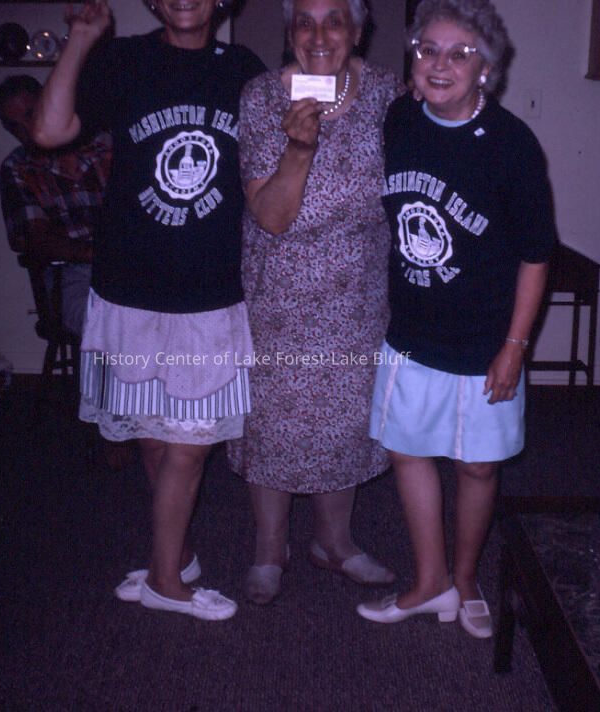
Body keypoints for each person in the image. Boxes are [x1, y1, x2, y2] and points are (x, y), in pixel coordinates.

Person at [31, 0, 265, 621]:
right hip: (128, 288)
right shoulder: (122, 59)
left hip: (209, 294)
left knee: (189, 444)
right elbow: (49, 131)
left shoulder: (243, 68)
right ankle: (172, 568)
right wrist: (82, 37)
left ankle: (165, 575)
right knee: (153, 440)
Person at [356, 0, 555, 638]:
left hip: (485, 341)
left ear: (486, 68)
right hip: (412, 334)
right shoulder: (399, 121)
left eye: (460, 54)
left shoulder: (511, 146)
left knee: (477, 466)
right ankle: (429, 580)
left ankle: (465, 578)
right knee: (408, 452)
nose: (440, 65)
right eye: (428, 50)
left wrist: (515, 346)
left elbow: (536, 255)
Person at [227, 0, 405, 605]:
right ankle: (268, 550)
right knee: (273, 424)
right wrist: (298, 150)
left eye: (336, 20)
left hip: (358, 294)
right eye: (305, 20)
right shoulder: (260, 97)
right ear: (290, 31)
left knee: (344, 422)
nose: (320, 34)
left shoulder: (387, 94)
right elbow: (272, 217)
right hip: (279, 293)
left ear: (358, 29)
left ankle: (335, 542)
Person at [0, 75, 111, 336]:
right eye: (14, 126)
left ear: (51, 102)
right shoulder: (18, 168)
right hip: (70, 272)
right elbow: (36, 239)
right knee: (101, 323)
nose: (27, 130)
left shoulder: (109, 144)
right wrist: (96, 254)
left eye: (31, 114)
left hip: (133, 263)